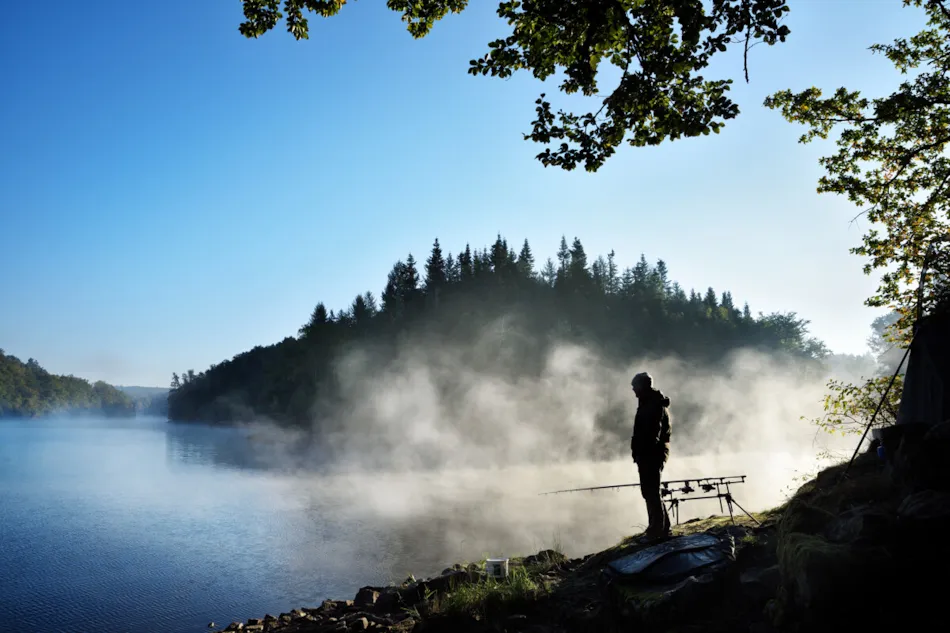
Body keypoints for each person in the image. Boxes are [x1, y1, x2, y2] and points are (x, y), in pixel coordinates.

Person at [630, 371, 672, 540]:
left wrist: (643, 453)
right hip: (649, 452)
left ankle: (657, 530)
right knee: (650, 491)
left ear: (642, 387)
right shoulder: (648, 402)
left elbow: (652, 433)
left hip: (651, 453)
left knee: (650, 491)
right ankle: (659, 526)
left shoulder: (653, 405)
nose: (633, 390)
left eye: (635, 387)